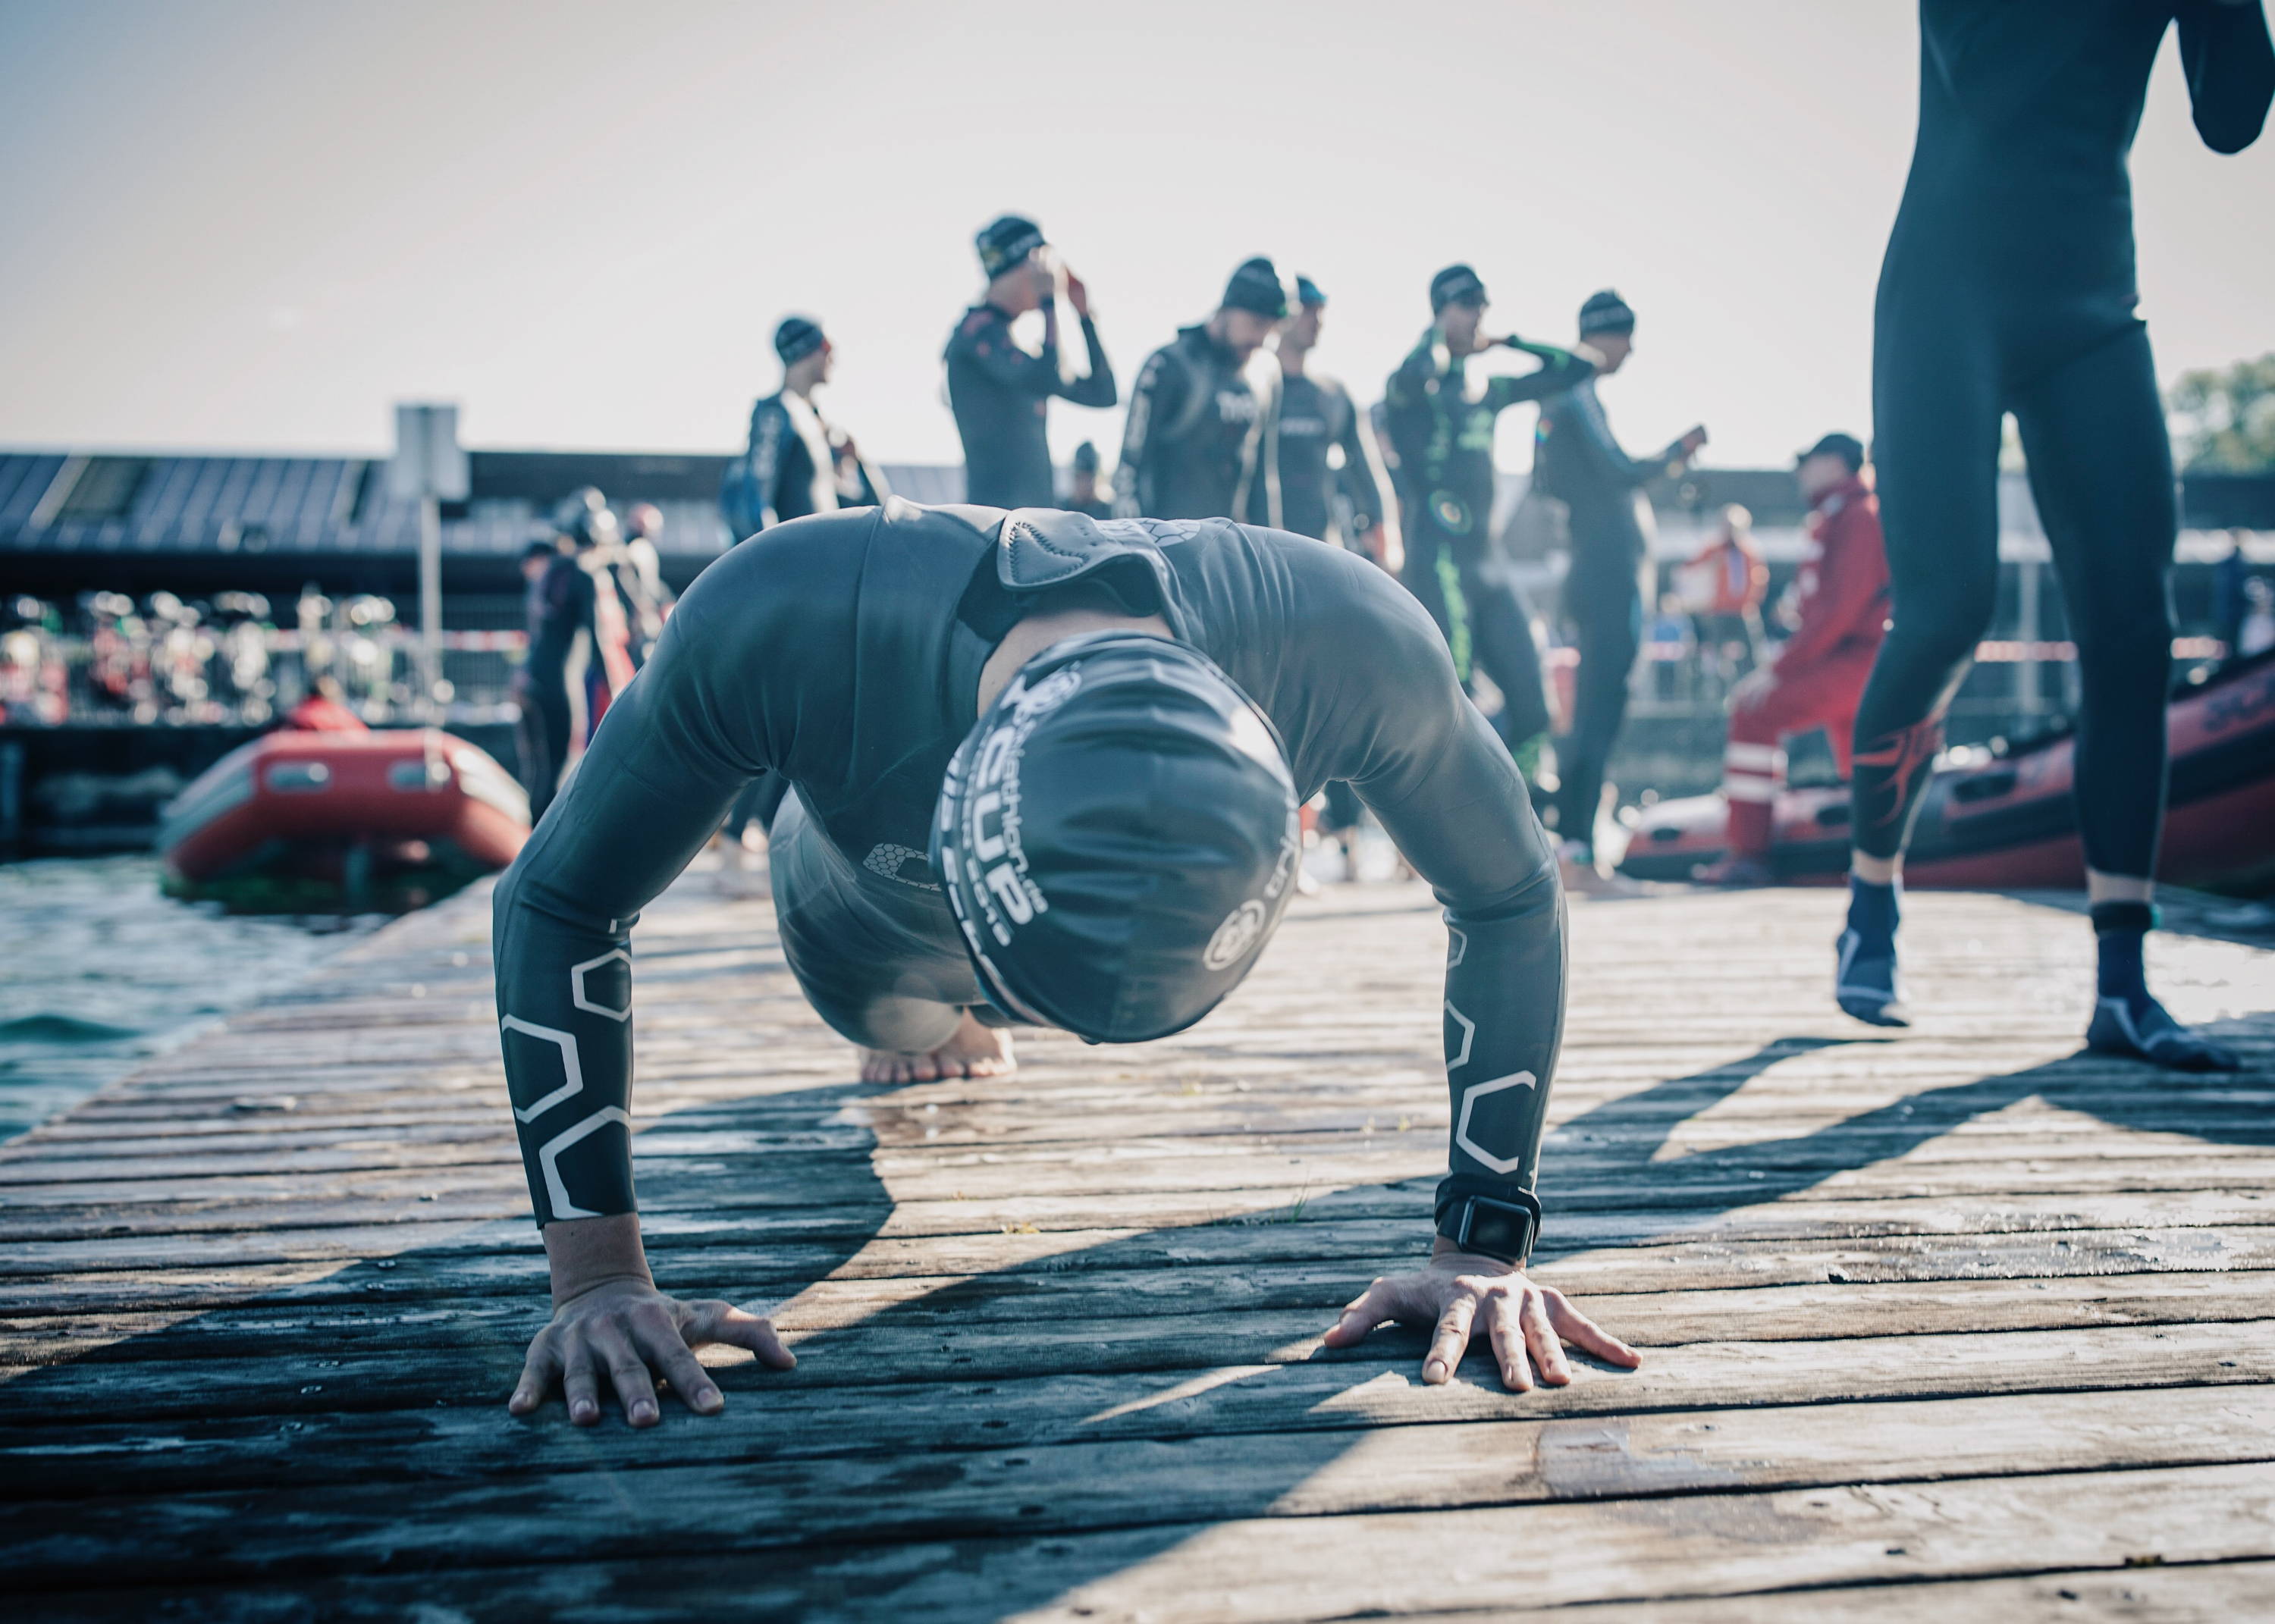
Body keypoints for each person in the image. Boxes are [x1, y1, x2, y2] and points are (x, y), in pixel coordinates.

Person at [494, 501, 1639, 1425]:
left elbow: (1511, 891)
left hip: (1011, 862)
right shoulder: (794, 613)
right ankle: (935, 1005)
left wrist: (1483, 1242)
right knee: (901, 1018)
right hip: (867, 901)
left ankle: (980, 1002)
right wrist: (596, 1276)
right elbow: (557, 895)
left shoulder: (1348, 644)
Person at [1836, 0, 2270, 1072]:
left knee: (2134, 628)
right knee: (1948, 611)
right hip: (1947, 298)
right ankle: (1872, 897)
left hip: (2091, 307)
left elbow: (2232, 118)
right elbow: (1977, 65)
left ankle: (2121, 985)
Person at [1384, 264, 1595, 776]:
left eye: (1482, 305)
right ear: (1439, 312)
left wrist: (1511, 340)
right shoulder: (1416, 387)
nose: (1477, 314)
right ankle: (1436, 824)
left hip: (1489, 564)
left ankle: (1508, 811)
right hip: (1437, 560)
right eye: (1465, 305)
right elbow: (1414, 374)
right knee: (1452, 704)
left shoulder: (1490, 391)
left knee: (1535, 708)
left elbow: (1578, 368)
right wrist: (1440, 335)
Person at [1533, 290, 1708, 870]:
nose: (1631, 350)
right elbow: (1620, 473)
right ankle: (1576, 843)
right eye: (1624, 336)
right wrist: (1678, 451)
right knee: (1598, 709)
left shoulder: (1571, 399)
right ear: (1601, 334)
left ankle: (1577, 839)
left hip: (1605, 570)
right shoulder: (1572, 395)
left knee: (1602, 704)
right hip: (1607, 574)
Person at [1693, 434, 1889, 886]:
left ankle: (1748, 853)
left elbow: (1839, 610)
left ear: (1836, 463)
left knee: (1752, 712)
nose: (1799, 471)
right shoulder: (1842, 516)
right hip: (1856, 660)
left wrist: (1778, 670)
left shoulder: (1857, 517)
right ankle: (1869, 859)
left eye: (1807, 460)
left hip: (1856, 659)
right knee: (1856, 759)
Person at [946, 215, 1118, 509]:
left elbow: (1103, 394)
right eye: (1042, 266)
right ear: (1021, 268)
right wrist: (1049, 304)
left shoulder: (1012, 348)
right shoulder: (975, 332)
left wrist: (1085, 318)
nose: (1051, 276)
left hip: (1030, 521)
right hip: (992, 524)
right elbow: (1046, 379)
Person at [1115, 257, 1288, 520]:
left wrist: (1270, 550)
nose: (1261, 339)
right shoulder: (1168, 366)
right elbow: (1130, 470)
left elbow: (1265, 476)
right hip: (1168, 547)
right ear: (1228, 308)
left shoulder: (1266, 374)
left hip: (1231, 550)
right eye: (1256, 323)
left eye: (1271, 329)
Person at [1250, 275, 1401, 572]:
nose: (1316, 320)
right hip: (1261, 547)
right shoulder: (1252, 388)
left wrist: (1387, 535)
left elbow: (1368, 471)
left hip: (1322, 546)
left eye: (1321, 310)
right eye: (1307, 309)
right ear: (1285, 312)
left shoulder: (1332, 395)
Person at [720, 317, 886, 539]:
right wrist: (771, 566)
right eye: (827, 346)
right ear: (805, 350)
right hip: (796, 567)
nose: (833, 357)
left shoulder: (819, 425)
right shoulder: (775, 413)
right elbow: (755, 500)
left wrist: (860, 462)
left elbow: (873, 511)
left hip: (823, 564)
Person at [1683, 503, 1768, 686]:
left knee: (1752, 654)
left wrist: (1752, 600)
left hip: (1743, 611)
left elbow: (1759, 579)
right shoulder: (1713, 550)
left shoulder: (1749, 552)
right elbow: (1690, 569)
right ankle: (1715, 690)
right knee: (1714, 654)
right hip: (1718, 611)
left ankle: (1752, 688)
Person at [1067, 441, 1114, 519]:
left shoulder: (1106, 510)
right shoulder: (1063, 511)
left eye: (1089, 478)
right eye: (1080, 478)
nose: (1085, 484)